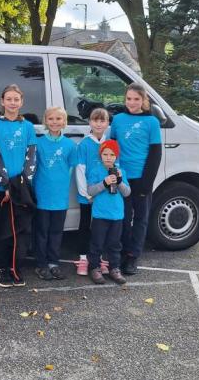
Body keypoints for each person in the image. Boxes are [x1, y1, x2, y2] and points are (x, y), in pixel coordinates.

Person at [110, 83, 162, 276]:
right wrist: (113, 172)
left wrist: (147, 183)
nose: (132, 103)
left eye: (136, 99)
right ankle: (122, 251)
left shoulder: (151, 122)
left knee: (140, 219)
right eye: (129, 99)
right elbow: (112, 148)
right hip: (122, 177)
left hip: (142, 178)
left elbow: (155, 154)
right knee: (122, 218)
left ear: (143, 101)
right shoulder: (118, 120)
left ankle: (133, 255)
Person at [0, 84, 37, 288]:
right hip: (3, 189)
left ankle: (16, 267)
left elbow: (31, 155)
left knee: (21, 229)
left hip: (22, 189)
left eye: (16, 99)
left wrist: (21, 183)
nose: (12, 103)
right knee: (4, 229)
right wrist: (6, 183)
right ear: (2, 101)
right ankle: (2, 267)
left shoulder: (27, 126)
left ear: (21, 102)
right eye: (9, 99)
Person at [32, 107, 77, 280]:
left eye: (59, 118)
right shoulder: (39, 143)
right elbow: (34, 168)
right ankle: (41, 264)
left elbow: (72, 169)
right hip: (43, 195)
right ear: (45, 121)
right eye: (51, 118)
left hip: (60, 196)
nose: (55, 122)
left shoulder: (70, 145)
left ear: (64, 122)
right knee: (42, 231)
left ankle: (53, 263)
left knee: (56, 231)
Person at [85, 139, 131, 284]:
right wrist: (104, 183)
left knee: (114, 244)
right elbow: (90, 190)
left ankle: (114, 268)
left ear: (116, 156)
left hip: (117, 215)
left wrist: (119, 181)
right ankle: (94, 267)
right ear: (101, 155)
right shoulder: (95, 170)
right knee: (97, 243)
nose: (108, 157)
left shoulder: (121, 171)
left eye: (112, 154)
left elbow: (127, 192)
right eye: (105, 154)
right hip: (100, 214)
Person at [74, 107, 111, 276]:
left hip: (104, 195)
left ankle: (100, 258)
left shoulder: (109, 143)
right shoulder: (84, 144)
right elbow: (80, 170)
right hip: (88, 196)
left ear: (107, 123)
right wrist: (86, 194)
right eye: (95, 120)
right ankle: (83, 259)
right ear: (89, 122)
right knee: (84, 226)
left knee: (101, 228)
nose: (98, 123)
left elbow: (114, 168)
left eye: (102, 120)